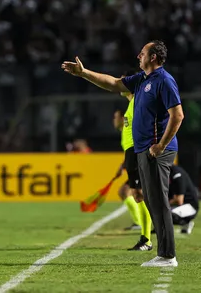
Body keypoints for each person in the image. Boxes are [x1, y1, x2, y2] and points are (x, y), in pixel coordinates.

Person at [62, 40, 184, 268]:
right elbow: (114, 84)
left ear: (154, 57)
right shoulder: (142, 80)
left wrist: (160, 145)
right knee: (151, 201)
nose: (138, 55)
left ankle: (168, 256)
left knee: (158, 201)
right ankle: (163, 253)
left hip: (157, 150)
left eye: (143, 53)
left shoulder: (164, 80)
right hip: (143, 150)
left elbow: (177, 115)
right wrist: (83, 73)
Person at [112, 71, 154, 251]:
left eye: (124, 80)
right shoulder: (131, 105)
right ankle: (146, 236)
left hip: (138, 151)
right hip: (132, 153)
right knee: (137, 195)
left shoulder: (138, 101)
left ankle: (147, 238)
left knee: (140, 195)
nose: (122, 83)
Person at [168, 164, 199, 234]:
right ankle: (159, 228)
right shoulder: (167, 173)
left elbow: (179, 200)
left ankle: (186, 222)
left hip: (190, 207)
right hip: (178, 206)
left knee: (165, 213)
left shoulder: (177, 174)